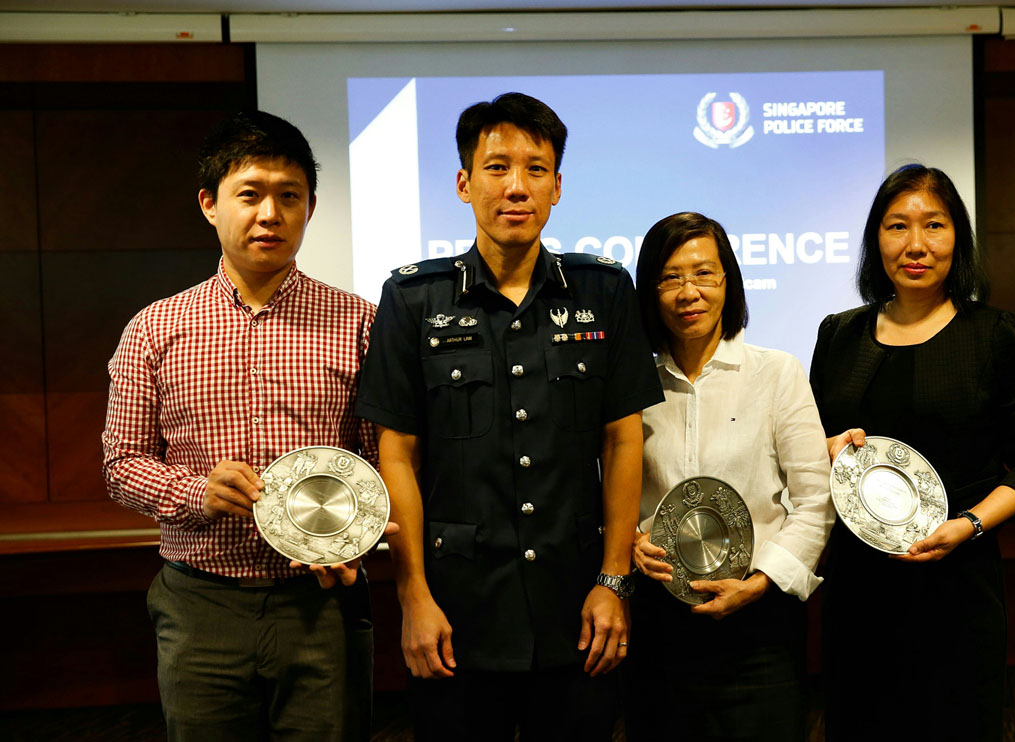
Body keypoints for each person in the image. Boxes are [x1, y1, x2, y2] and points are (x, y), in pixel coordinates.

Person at [354, 92, 664, 741]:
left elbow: (623, 440)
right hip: (456, 616)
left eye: (535, 168)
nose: (516, 186)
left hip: (578, 609)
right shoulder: (413, 300)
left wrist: (615, 581)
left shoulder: (604, 292)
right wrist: (412, 597)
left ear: (556, 187)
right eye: (497, 168)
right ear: (465, 183)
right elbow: (397, 456)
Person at [102, 110, 393, 741]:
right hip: (199, 602)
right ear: (210, 204)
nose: (270, 214)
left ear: (310, 208)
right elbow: (120, 466)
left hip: (321, 602)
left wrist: (357, 541)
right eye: (250, 195)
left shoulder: (362, 323)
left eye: (289, 197)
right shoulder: (155, 329)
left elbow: (384, 466)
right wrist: (196, 492)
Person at [809, 165, 1015, 741]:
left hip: (958, 582)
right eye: (897, 226)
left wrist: (970, 526)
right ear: (876, 239)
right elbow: (811, 447)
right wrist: (823, 448)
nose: (916, 245)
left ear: (959, 238)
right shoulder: (838, 335)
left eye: (935, 225)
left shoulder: (998, 335)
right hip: (860, 584)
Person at [626, 212, 835, 742]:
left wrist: (761, 581)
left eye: (704, 274)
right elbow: (605, 491)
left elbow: (814, 501)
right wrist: (626, 540)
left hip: (759, 627)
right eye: (670, 277)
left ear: (729, 282)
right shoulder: (630, 385)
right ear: (650, 290)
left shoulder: (776, 372)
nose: (688, 292)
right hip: (659, 622)